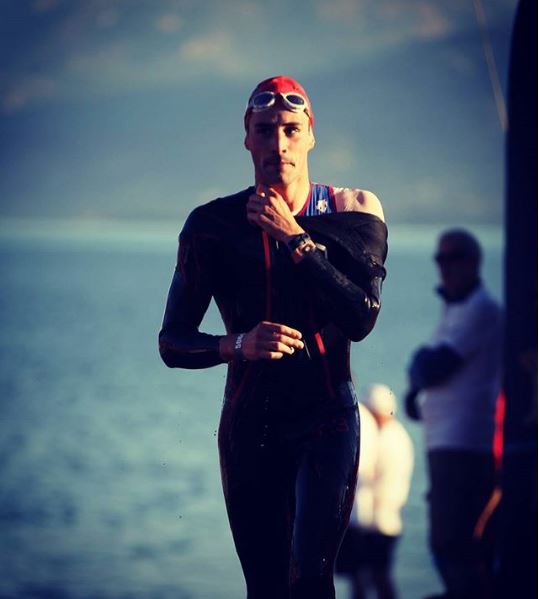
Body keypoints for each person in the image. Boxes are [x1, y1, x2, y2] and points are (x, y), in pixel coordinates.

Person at [158, 75, 388, 599]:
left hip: (327, 420)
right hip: (249, 426)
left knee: (309, 578)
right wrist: (237, 345)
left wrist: (294, 238)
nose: (278, 144)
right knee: (264, 585)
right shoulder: (211, 226)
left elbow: (362, 317)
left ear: (311, 134)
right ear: (247, 135)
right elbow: (172, 341)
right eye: (265, 131)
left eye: (289, 130)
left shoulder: (353, 209)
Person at [404, 229, 503, 599]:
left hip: (465, 444)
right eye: (441, 259)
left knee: (453, 542)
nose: (445, 267)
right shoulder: (457, 309)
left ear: (474, 261)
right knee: (447, 540)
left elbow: (432, 365)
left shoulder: (482, 310)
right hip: (445, 441)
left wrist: (417, 378)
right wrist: (418, 376)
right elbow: (423, 364)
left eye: (454, 257)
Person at [336, 384, 414, 599]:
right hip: (388, 522)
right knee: (375, 576)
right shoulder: (399, 436)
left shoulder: (389, 439)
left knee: (369, 577)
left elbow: (366, 477)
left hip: (376, 523)